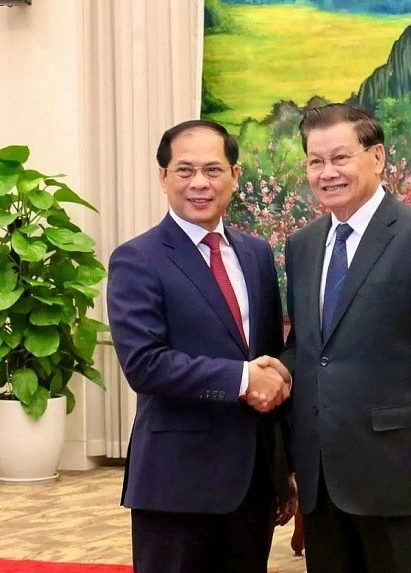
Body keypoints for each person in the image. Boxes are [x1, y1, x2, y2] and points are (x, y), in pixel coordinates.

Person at [281, 103, 411, 572]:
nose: (327, 173)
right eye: (315, 161)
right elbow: (310, 349)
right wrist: (269, 374)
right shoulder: (302, 245)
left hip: (397, 476)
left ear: (377, 157)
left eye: (340, 157)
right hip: (321, 478)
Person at [107, 119, 296, 573]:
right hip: (177, 481)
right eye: (184, 170)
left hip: (252, 480)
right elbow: (145, 365)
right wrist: (242, 378)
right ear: (163, 177)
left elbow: (268, 354)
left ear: (234, 175)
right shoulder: (137, 258)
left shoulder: (255, 254)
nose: (199, 183)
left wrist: (282, 469)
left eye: (213, 170)